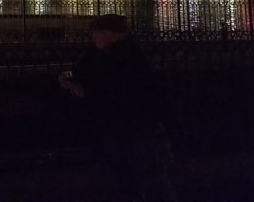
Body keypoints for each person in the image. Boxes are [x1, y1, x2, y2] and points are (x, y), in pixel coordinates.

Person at [59, 14, 175, 201]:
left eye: (97, 34)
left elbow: (114, 94)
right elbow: (83, 70)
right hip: (127, 131)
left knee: (140, 181)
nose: (93, 38)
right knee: (143, 181)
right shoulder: (107, 52)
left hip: (134, 133)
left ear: (110, 34)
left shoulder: (124, 59)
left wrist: (80, 89)